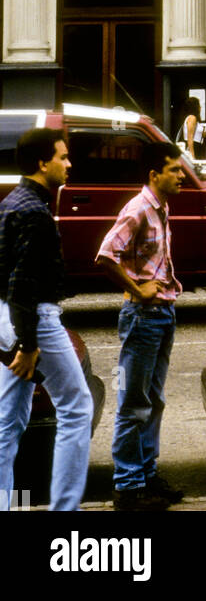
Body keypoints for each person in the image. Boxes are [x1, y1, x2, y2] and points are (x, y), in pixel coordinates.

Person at [0, 128, 93, 512]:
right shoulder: (35, 213)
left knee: (8, 424)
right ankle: (65, 509)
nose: (69, 164)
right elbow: (23, 286)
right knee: (76, 406)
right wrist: (29, 345)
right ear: (43, 163)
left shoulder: (10, 202)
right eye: (63, 157)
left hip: (6, 318)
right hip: (34, 319)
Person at [96, 143, 185, 512]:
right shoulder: (137, 210)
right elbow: (105, 254)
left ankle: (147, 478)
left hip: (163, 314)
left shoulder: (161, 207)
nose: (181, 176)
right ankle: (128, 488)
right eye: (174, 170)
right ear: (154, 174)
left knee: (154, 401)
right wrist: (136, 288)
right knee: (134, 404)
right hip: (143, 316)